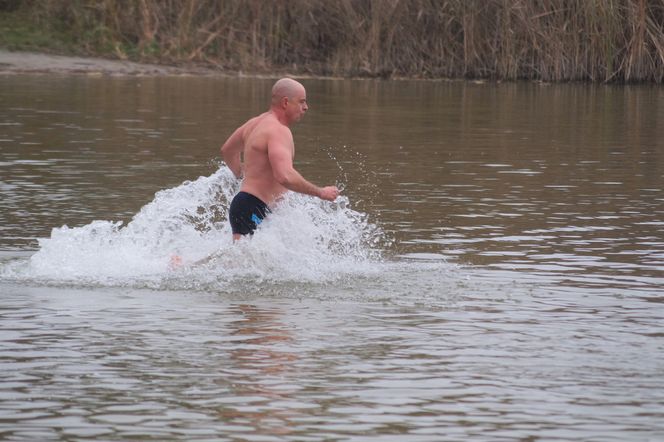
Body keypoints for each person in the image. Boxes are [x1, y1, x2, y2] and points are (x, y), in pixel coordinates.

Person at [221, 78, 340, 240]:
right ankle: (184, 265)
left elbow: (227, 150)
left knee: (243, 259)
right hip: (252, 206)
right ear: (285, 102)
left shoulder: (254, 123)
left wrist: (240, 174)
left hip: (249, 205)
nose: (306, 107)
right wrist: (320, 192)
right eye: (301, 102)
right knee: (239, 262)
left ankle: (185, 263)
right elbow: (284, 176)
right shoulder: (278, 131)